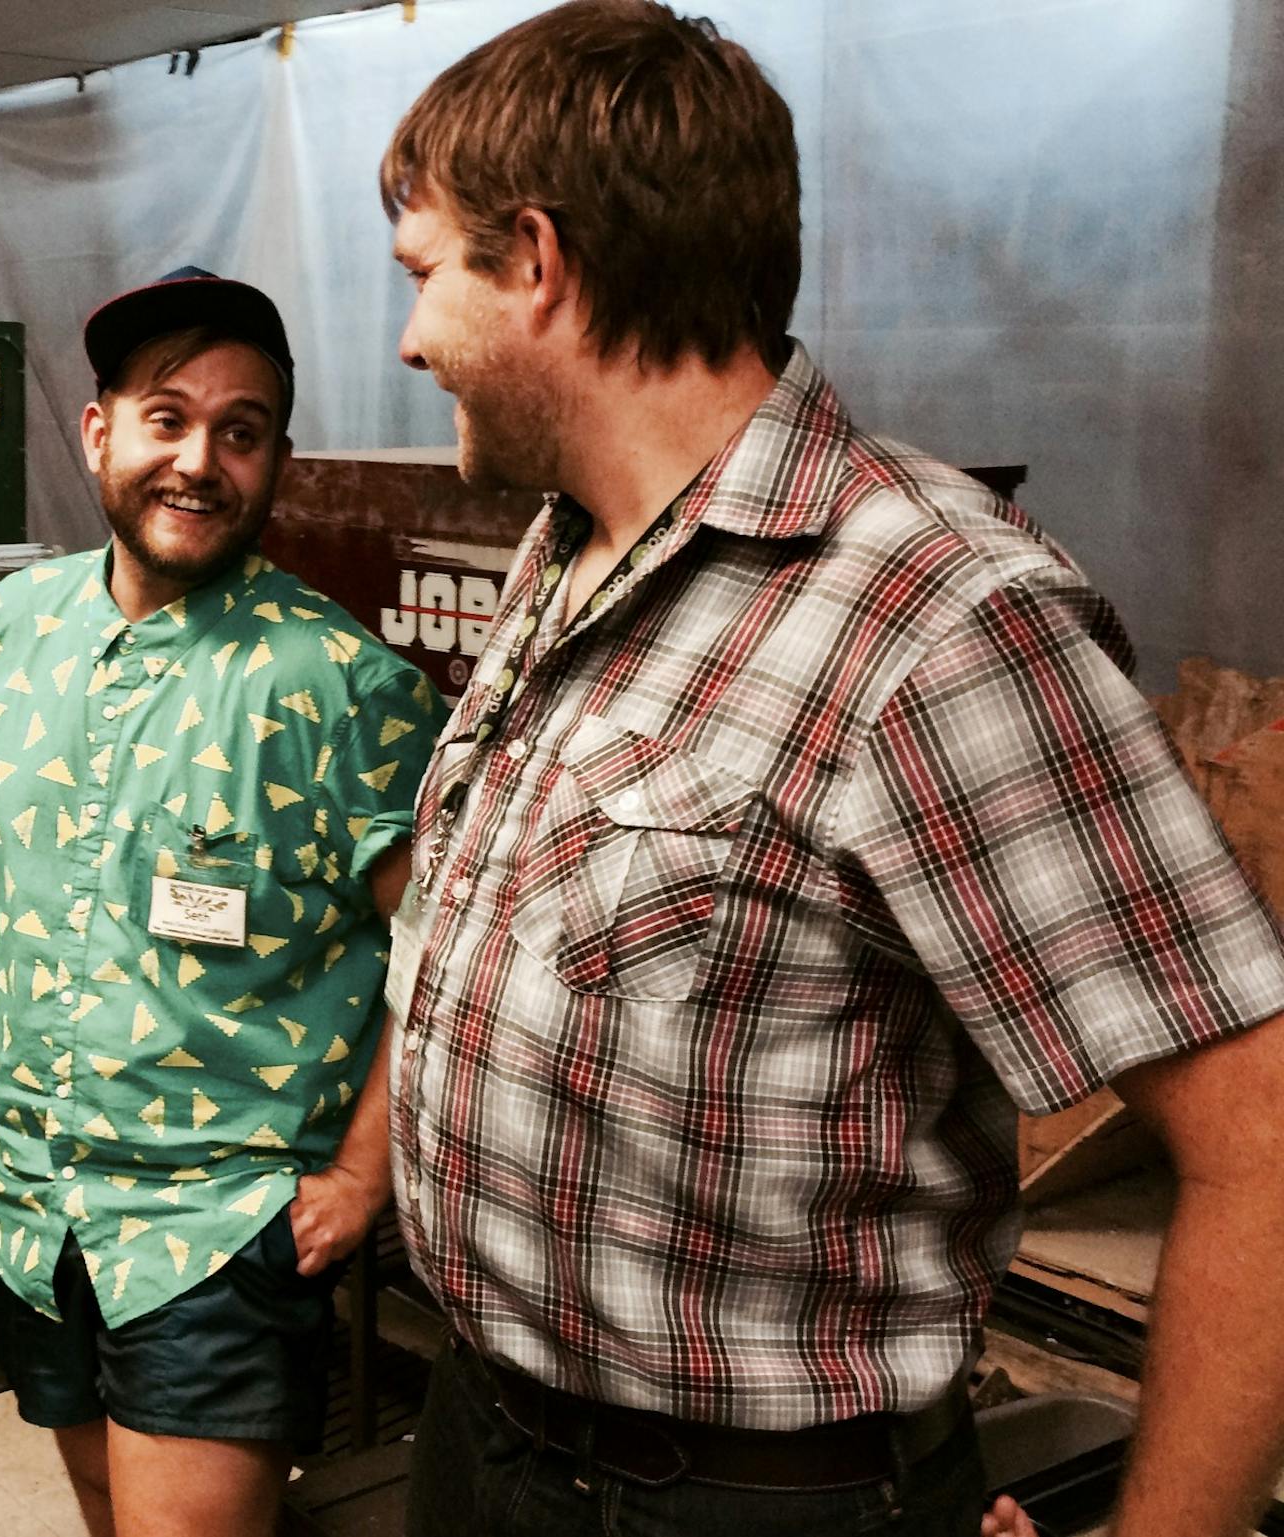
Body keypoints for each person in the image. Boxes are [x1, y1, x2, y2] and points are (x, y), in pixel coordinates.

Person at [375, 6, 1284, 1536]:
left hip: (742, 1500)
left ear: (537, 261)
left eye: (426, 276)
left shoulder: (935, 621)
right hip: (491, 1435)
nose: (409, 340)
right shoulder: (570, 547)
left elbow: (1259, 1142)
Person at [0, 269, 446, 1536]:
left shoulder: (338, 683)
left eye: (242, 429)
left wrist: (364, 1171)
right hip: (34, 1205)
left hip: (209, 1229)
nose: (199, 460)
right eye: (168, 417)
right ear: (99, 429)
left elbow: (443, 944)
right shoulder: (14, 625)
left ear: (276, 458)